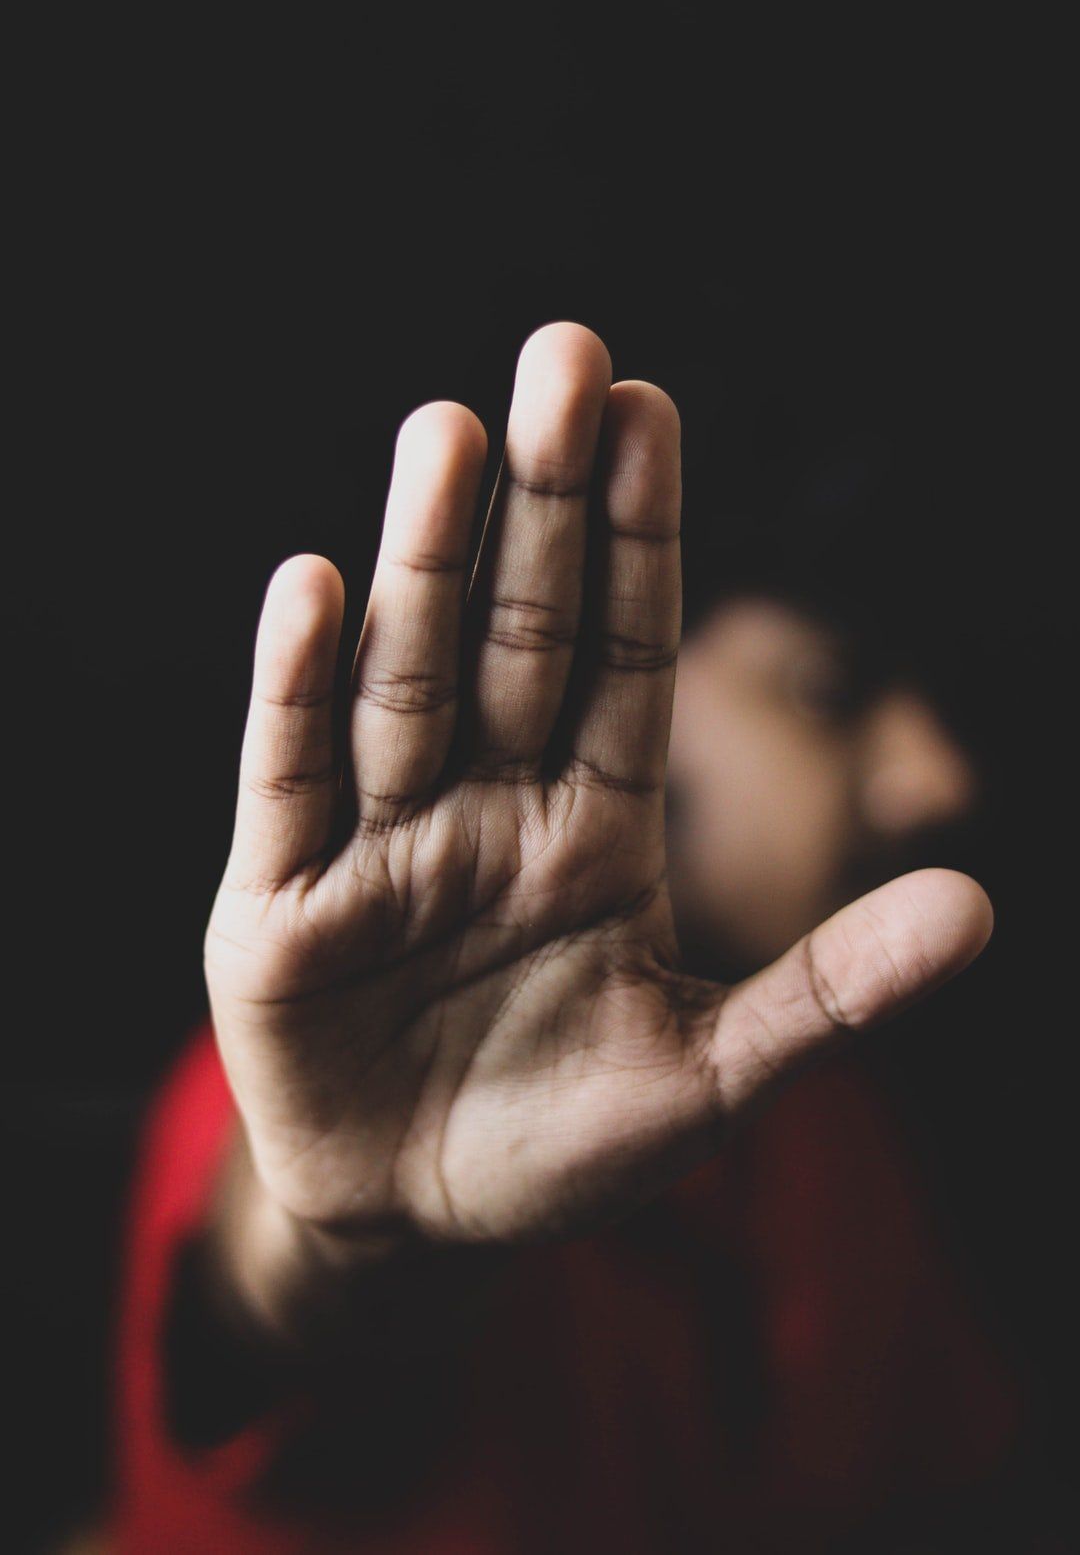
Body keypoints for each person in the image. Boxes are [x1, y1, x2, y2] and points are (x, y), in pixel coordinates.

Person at [108, 323, 1026, 1553]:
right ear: (618, 660)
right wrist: (349, 1240)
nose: (935, 780)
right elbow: (274, 1332)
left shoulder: (832, 1126)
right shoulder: (331, 1057)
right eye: (830, 690)